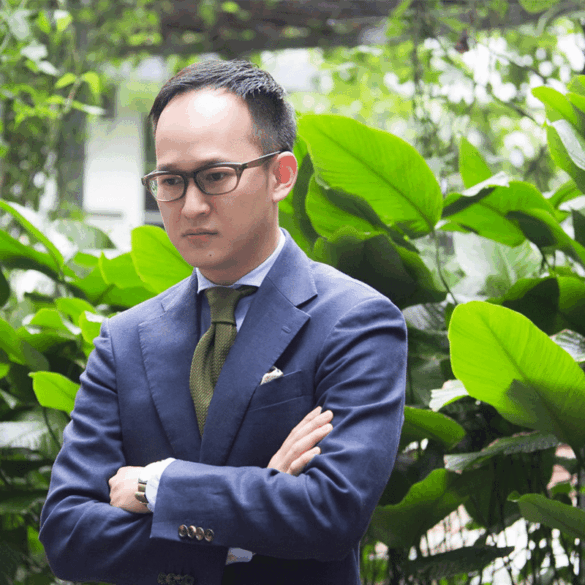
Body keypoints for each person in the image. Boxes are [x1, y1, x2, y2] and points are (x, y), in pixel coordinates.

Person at [39, 59, 406, 585]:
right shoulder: (124, 340)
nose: (190, 206)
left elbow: (331, 512)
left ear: (280, 176)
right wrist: (248, 515)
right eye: (170, 180)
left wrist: (158, 486)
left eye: (215, 177)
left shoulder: (355, 322)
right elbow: (68, 535)